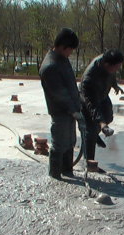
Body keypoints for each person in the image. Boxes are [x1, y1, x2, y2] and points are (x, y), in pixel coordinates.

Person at [39, 28, 85, 180]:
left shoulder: (62, 59)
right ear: (62, 46)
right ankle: (56, 176)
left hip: (70, 110)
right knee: (59, 143)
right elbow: (59, 95)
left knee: (70, 141)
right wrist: (74, 110)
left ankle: (67, 171)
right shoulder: (50, 66)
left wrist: (79, 101)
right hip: (60, 112)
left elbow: (70, 85)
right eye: (70, 49)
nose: (70, 53)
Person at [79, 49, 124, 173]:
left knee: (109, 116)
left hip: (102, 95)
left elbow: (112, 74)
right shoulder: (90, 77)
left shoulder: (108, 63)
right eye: (116, 67)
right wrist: (102, 123)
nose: (117, 70)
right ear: (107, 65)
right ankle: (90, 164)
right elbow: (93, 106)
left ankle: (96, 134)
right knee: (91, 130)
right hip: (88, 100)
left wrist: (115, 85)